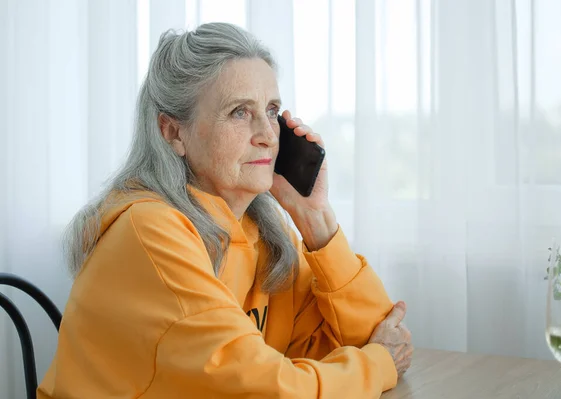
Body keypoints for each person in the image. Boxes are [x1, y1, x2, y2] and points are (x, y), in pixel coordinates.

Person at [37, 22, 412, 399]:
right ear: (172, 132)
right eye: (239, 112)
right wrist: (375, 364)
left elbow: (373, 340)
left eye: (271, 109)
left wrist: (317, 222)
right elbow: (265, 388)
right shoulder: (149, 233)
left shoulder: (261, 229)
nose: (267, 133)